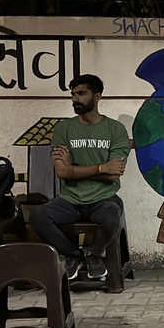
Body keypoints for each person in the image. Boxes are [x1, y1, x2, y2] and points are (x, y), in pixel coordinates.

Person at [30, 74, 130, 280]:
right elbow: (62, 172)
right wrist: (102, 167)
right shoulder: (63, 129)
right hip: (70, 200)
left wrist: (74, 168)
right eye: (73, 94)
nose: (75, 99)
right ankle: (74, 255)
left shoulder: (115, 130)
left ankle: (94, 254)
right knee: (38, 217)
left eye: (82, 93)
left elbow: (113, 176)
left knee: (111, 218)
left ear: (97, 96)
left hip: (103, 199)